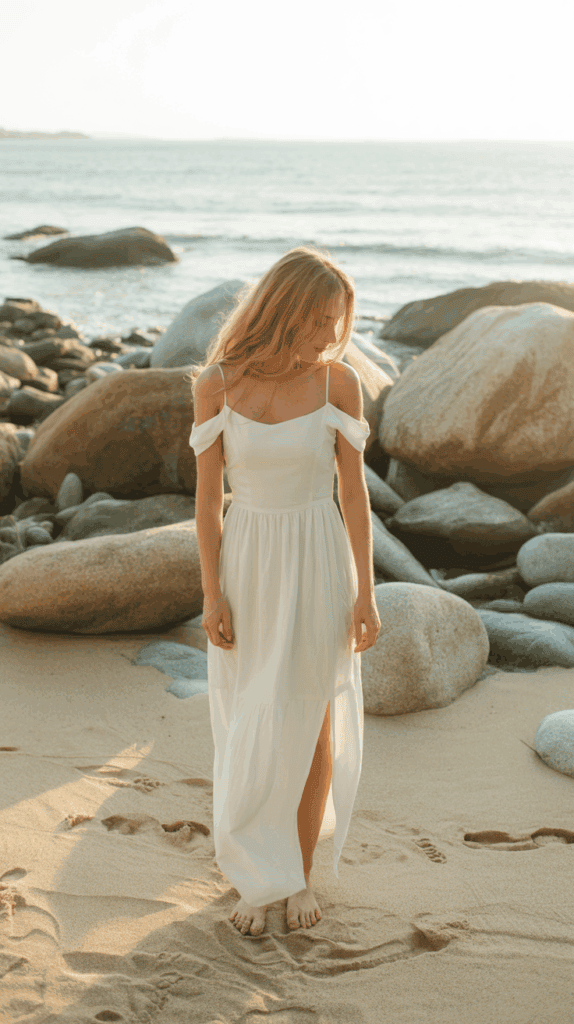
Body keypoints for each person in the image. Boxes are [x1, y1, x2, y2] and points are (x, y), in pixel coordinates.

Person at [187, 245, 380, 938]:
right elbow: (208, 504)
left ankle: (294, 874)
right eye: (320, 319)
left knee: (311, 714)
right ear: (284, 310)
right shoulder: (217, 383)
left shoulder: (339, 386)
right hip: (248, 558)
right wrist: (213, 594)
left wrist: (366, 593)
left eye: (339, 321)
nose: (331, 335)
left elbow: (354, 496)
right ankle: (252, 873)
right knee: (250, 716)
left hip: (319, 555)